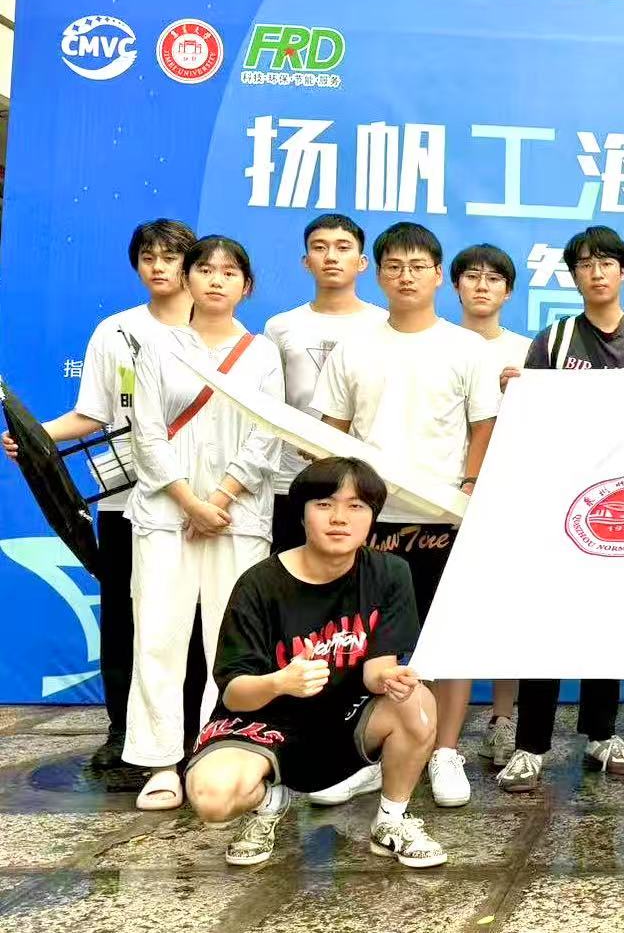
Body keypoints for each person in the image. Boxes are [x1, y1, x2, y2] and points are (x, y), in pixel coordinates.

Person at [311, 221, 499, 809]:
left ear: (438, 275)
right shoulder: (354, 346)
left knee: (449, 639)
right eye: (394, 266)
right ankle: (366, 754)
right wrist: (344, 505)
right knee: (364, 641)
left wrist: (468, 487)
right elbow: (333, 432)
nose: (406, 277)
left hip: (445, 516)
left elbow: (483, 427)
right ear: (379, 273)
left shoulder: (467, 348)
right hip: (371, 520)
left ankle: (445, 750)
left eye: (418, 267)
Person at [2, 219, 202, 771]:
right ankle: (123, 729)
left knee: (192, 614)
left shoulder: (216, 327)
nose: (158, 267)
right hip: (123, 496)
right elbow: (92, 414)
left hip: (196, 499)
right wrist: (35, 439)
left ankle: (194, 725)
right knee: (123, 614)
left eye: (170, 256)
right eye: (147, 257)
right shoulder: (114, 332)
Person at [184, 457, 446, 869]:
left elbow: (376, 670)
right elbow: (234, 693)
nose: (339, 518)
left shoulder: (390, 573)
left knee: (416, 701)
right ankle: (269, 798)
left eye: (356, 506)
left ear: (372, 517)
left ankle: (392, 821)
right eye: (324, 504)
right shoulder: (259, 584)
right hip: (262, 724)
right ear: (302, 513)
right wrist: (279, 682)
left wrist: (391, 678)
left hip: (343, 720)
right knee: (212, 800)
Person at [497, 225, 624, 792]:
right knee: (544, 620)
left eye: (606, 263)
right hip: (558, 499)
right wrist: (516, 391)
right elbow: (527, 423)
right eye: (585, 265)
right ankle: (530, 746)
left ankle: (602, 734)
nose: (596, 273)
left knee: (607, 620)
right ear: (573, 276)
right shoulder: (553, 341)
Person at [122, 236, 283, 811]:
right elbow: (145, 433)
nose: (216, 280)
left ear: (247, 285)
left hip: (239, 515)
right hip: (166, 514)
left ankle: (221, 752)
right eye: (205, 269)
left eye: (230, 271)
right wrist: (189, 501)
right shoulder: (157, 348)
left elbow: (268, 433)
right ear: (187, 279)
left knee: (233, 640)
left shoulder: (262, 353)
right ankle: (162, 762)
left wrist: (220, 497)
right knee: (158, 635)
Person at [450, 241, 531, 769]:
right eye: (472, 276)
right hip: (438, 496)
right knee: (440, 613)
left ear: (508, 291)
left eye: (494, 278)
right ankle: (435, 727)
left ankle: (504, 719)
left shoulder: (526, 350)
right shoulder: (436, 342)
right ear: (454, 284)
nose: (482, 286)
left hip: (508, 494)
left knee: (505, 609)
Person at [263, 214, 386, 555]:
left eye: (343, 247)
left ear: (362, 262)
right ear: (306, 261)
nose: (331, 256)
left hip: (363, 479)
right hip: (290, 476)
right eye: (320, 248)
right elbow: (270, 403)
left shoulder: (383, 324)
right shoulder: (280, 326)